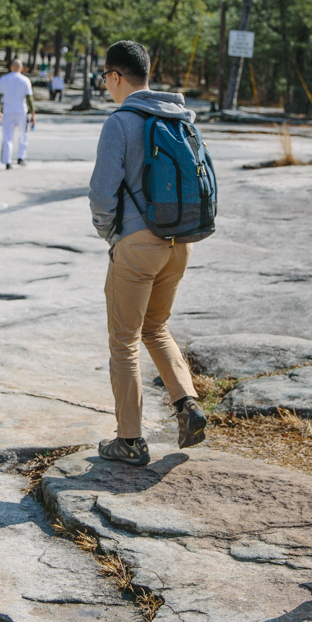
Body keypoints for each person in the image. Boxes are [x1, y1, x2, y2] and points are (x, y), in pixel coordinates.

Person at [87, 40, 208, 467]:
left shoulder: (120, 122)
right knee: (155, 326)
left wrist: (113, 235)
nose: (105, 85)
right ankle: (188, 403)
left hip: (137, 246)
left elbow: (102, 194)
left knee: (124, 341)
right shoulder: (179, 116)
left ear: (116, 77)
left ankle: (131, 440)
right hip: (180, 244)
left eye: (105, 78)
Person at [0, 59, 34, 169]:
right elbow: (29, 99)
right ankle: (21, 157)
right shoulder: (25, 80)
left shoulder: (4, 79)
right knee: (23, 135)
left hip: (8, 111)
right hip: (21, 110)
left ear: (11, 67)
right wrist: (33, 114)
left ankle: (7, 161)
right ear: (21, 68)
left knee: (8, 136)